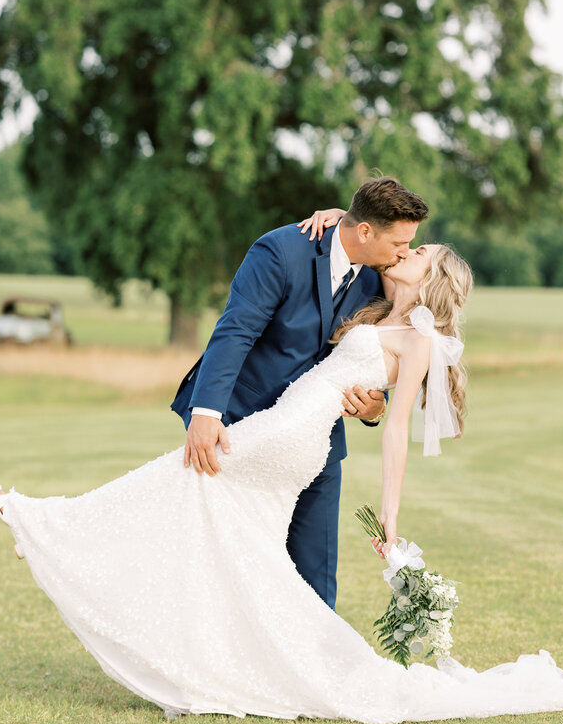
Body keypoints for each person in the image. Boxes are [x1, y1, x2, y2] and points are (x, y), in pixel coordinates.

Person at [0, 239, 563, 723]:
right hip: (288, 423)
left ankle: (54, 528)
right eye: (405, 244)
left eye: (418, 252)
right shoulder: (372, 293)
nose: (406, 251)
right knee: (237, 547)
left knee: (186, 480)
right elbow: (348, 243)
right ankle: (212, 667)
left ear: (431, 278)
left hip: (295, 435)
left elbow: (396, 426)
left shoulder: (420, 335)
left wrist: (392, 516)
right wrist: (325, 217)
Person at [171, 176, 430, 607]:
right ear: (364, 232)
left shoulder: (380, 277)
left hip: (320, 442)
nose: (404, 251)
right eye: (400, 243)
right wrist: (206, 412)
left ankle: (315, 673)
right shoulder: (280, 251)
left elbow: (384, 350)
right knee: (228, 559)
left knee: (315, 574)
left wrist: (373, 407)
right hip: (242, 422)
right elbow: (235, 330)